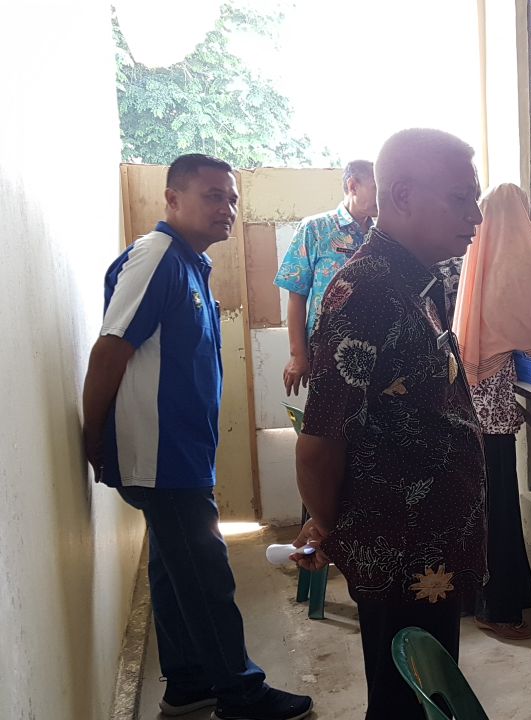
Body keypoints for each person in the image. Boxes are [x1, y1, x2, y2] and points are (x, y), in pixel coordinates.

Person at [81, 154, 313, 720]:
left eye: (231, 198)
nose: (227, 208)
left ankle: (187, 684)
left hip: (181, 451)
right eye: (212, 196)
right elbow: (110, 349)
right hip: (161, 455)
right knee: (206, 575)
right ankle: (241, 694)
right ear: (173, 199)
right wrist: (95, 435)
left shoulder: (190, 263)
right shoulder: (157, 257)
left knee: (173, 569)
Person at [291, 129, 487, 720]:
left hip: (427, 547)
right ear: (401, 195)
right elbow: (319, 444)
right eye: (460, 199)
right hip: (397, 550)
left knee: (428, 694)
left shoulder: (417, 281)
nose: (476, 216)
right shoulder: (368, 292)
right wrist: (334, 527)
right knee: (404, 701)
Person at [454, 182, 531, 640]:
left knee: (479, 505)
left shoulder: (477, 254)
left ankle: (479, 597)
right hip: (493, 412)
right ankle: (498, 606)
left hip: (470, 402)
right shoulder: (518, 261)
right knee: (499, 507)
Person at [274, 159, 377, 396]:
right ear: (353, 186)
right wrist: (298, 355)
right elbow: (296, 296)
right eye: (377, 187)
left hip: (376, 351)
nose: (383, 196)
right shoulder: (315, 229)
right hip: (326, 351)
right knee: (327, 416)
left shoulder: (381, 235)